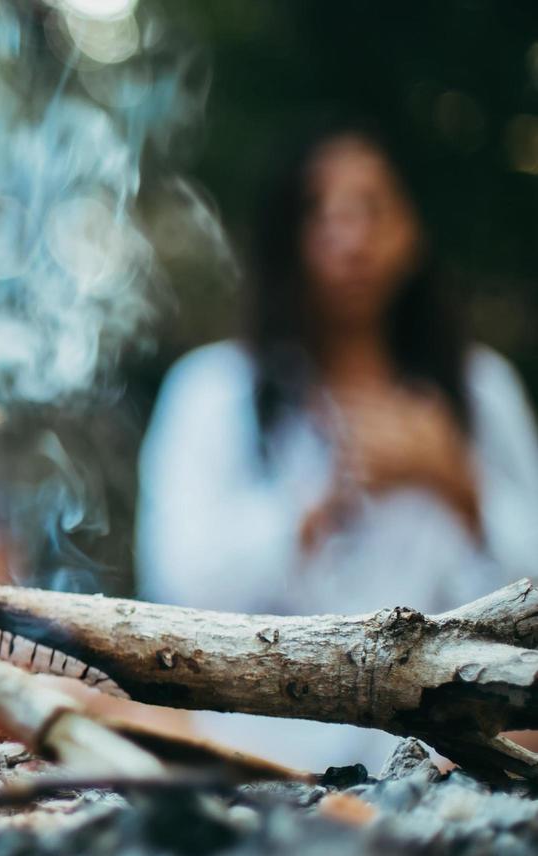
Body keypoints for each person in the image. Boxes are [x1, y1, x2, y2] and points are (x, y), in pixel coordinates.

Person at [136, 124, 538, 767]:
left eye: (373, 208)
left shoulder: (479, 390)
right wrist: (314, 508)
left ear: (413, 231)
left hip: (457, 745)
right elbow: (176, 581)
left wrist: (459, 485)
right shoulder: (212, 391)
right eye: (319, 212)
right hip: (262, 744)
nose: (350, 236)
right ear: (284, 241)